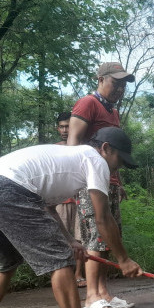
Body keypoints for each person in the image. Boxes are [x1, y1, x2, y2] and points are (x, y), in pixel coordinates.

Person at [0, 127, 143, 308]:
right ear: (106, 148)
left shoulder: (70, 160)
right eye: (119, 160)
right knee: (60, 260)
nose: (118, 167)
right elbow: (103, 218)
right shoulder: (95, 160)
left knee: (7, 262)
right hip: (6, 188)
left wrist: (70, 240)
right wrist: (124, 260)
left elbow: (48, 208)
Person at [68, 62, 136, 308]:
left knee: (110, 236)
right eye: (115, 82)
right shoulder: (87, 103)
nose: (119, 88)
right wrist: (76, 181)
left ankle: (104, 293)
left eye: (123, 85)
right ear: (100, 79)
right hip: (89, 179)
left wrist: (119, 182)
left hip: (109, 181)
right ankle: (91, 296)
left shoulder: (113, 112)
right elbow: (73, 143)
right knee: (96, 235)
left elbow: (113, 152)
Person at [54, 111, 85, 288]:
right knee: (61, 238)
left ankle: (78, 274)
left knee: (80, 238)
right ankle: (62, 275)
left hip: (80, 199)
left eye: (68, 126)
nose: (65, 130)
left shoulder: (82, 147)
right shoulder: (54, 148)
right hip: (60, 201)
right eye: (62, 126)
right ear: (57, 128)